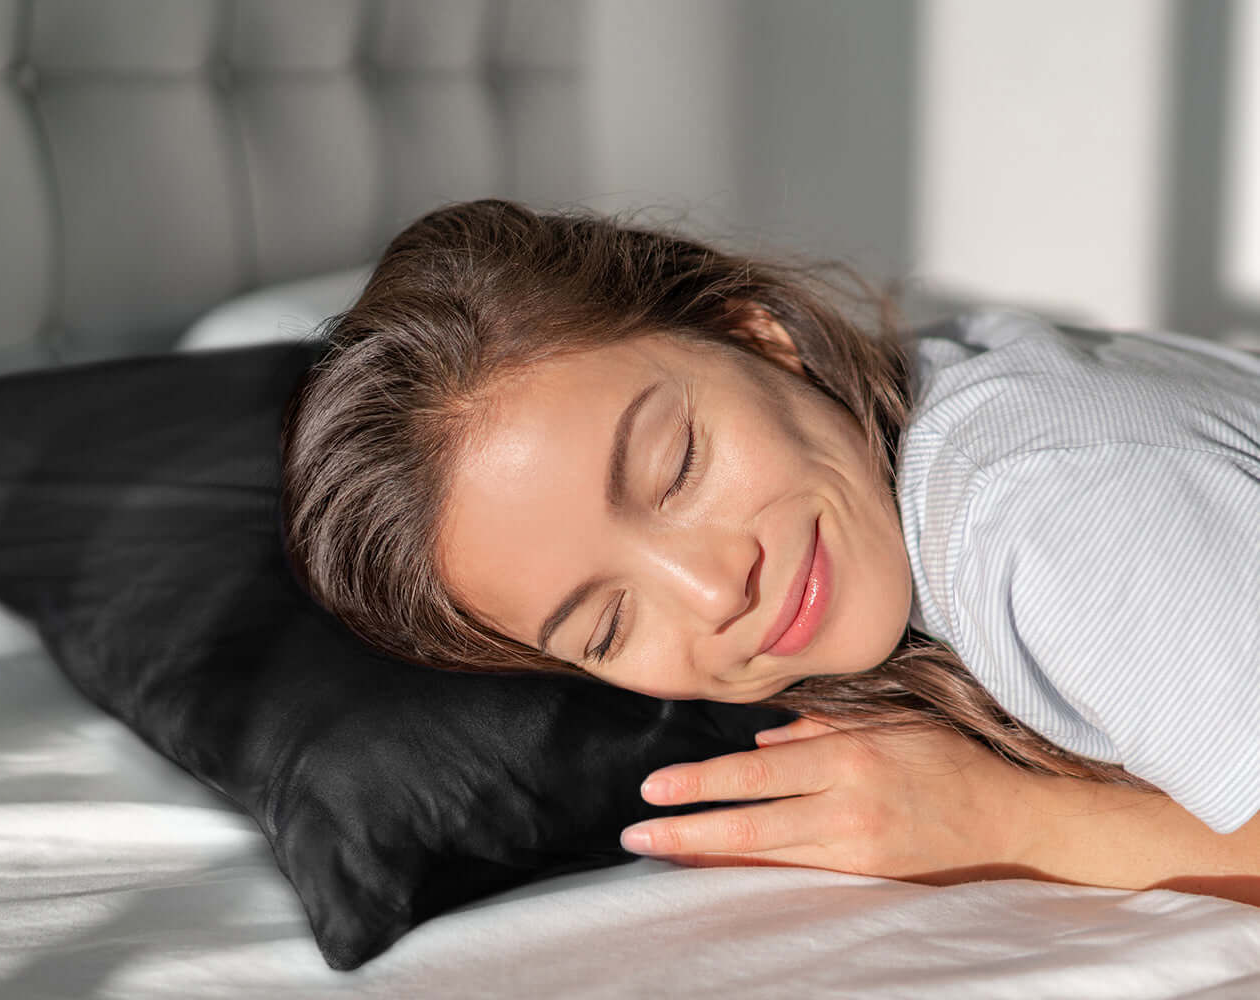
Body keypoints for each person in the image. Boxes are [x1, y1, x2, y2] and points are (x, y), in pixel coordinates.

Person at [281, 199, 1260, 901]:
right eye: (609, 624)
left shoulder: (1042, 518)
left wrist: (1008, 823)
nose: (712, 590)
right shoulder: (925, 393)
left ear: (754, 333)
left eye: (677, 466)